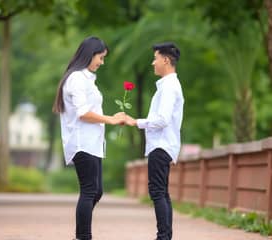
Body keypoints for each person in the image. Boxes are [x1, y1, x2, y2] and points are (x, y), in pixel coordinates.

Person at [52, 36, 125, 240]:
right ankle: (83, 236)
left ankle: (81, 232)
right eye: (100, 58)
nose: (102, 62)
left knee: (97, 191)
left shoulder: (87, 79)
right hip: (82, 142)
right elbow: (83, 113)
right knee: (89, 190)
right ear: (90, 54)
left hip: (93, 143)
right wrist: (110, 120)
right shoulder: (76, 78)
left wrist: (110, 120)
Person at [125, 42, 184, 240]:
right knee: (162, 193)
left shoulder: (168, 87)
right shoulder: (169, 85)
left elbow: (162, 120)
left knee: (158, 192)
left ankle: (163, 237)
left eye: (155, 58)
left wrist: (136, 122)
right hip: (164, 145)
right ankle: (165, 236)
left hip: (161, 145)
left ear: (166, 60)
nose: (153, 63)